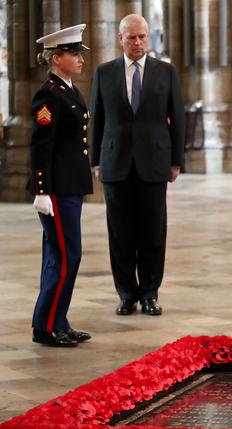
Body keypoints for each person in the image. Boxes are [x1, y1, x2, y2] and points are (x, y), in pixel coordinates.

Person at [91, 14, 185, 316]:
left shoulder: (166, 72)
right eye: (131, 37)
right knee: (120, 234)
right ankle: (126, 293)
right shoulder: (103, 73)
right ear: (120, 39)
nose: (138, 42)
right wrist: (95, 159)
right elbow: (98, 119)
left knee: (153, 232)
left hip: (155, 162)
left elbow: (177, 119)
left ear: (149, 37)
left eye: (142, 37)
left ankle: (149, 293)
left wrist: (176, 161)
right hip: (115, 161)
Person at [28, 24, 93, 347]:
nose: (80, 59)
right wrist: (41, 191)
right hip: (56, 189)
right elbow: (42, 145)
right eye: (74, 54)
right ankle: (46, 327)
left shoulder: (67, 89)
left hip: (68, 186)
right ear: (56, 58)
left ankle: (57, 321)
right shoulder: (48, 94)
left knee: (62, 255)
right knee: (66, 256)